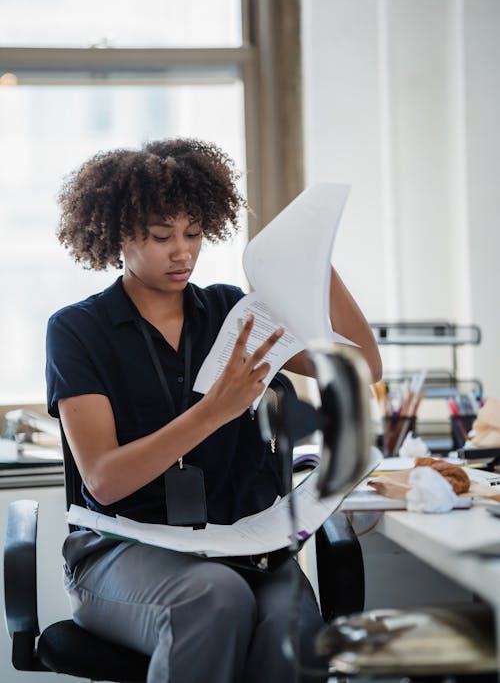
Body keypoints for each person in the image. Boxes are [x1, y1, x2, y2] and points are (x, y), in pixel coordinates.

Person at [46, 137, 382, 683]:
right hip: (123, 547)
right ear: (117, 235)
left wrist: (317, 264)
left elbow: (362, 367)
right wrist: (214, 412)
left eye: (194, 233)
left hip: (241, 542)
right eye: (161, 237)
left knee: (290, 626)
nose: (182, 252)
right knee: (213, 597)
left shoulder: (233, 311)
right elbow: (105, 481)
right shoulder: (77, 330)